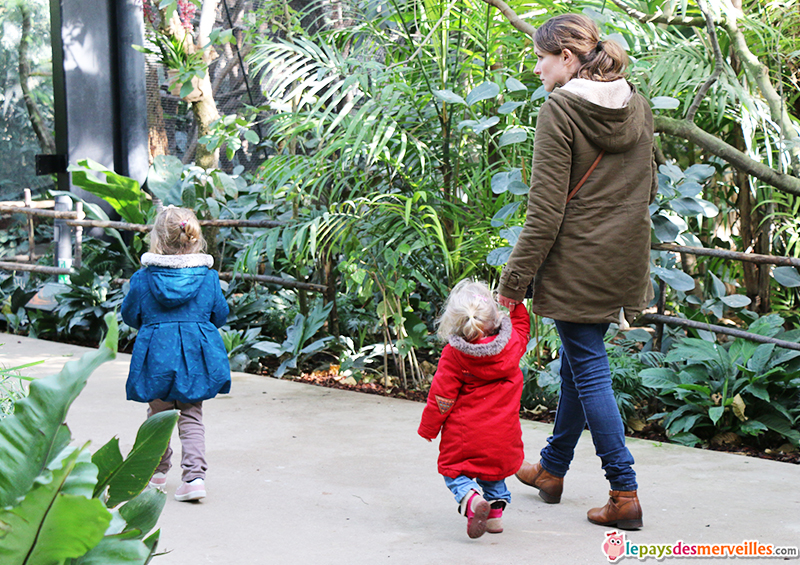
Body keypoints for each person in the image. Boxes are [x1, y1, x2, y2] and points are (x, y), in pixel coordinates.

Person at [497, 13, 657, 530]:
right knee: (576, 361)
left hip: (575, 261)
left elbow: (544, 213)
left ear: (567, 58)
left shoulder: (559, 111)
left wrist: (511, 285)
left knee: (587, 367)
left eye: (542, 58)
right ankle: (552, 468)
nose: (538, 68)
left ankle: (624, 491)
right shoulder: (639, 106)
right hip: (621, 257)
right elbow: (647, 190)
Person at [122, 206, 231, 502]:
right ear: (195, 239)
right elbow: (220, 315)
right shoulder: (208, 278)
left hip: (157, 356)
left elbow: (131, 315)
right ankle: (194, 478)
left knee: (158, 414)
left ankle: (156, 473)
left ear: (157, 240)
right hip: (194, 358)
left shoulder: (143, 279)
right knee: (191, 415)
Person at [419, 279, 530, 539]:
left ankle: (470, 499)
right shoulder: (513, 344)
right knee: (495, 472)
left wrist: (429, 427)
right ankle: (494, 518)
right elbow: (522, 327)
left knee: (454, 471)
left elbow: (441, 397)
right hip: (503, 436)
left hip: (465, 435)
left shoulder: (455, 354)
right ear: (493, 317)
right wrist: (516, 304)